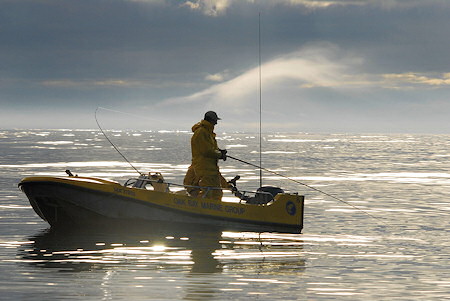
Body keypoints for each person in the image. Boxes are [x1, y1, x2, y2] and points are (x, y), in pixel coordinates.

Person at [183, 111, 230, 200]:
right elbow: (206, 151)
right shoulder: (201, 132)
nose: (216, 123)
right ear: (211, 120)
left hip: (211, 169)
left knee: (217, 193)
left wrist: (220, 151)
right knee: (208, 192)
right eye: (215, 120)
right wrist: (220, 155)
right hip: (204, 168)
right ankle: (199, 209)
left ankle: (215, 211)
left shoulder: (208, 133)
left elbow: (211, 148)